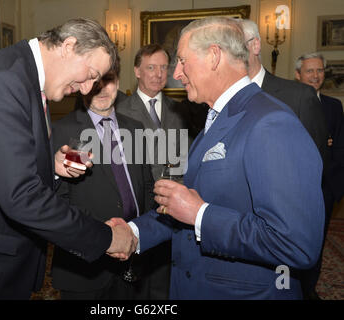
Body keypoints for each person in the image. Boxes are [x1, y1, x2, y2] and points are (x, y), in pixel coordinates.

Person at [110, 16, 325, 299]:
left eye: (183, 61)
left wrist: (200, 214)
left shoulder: (270, 123)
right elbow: (188, 206)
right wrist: (134, 231)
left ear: (213, 56)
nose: (177, 74)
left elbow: (295, 243)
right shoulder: (216, 119)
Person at [0, 18, 137, 299]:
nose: (87, 89)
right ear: (69, 46)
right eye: (90, 74)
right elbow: (21, 196)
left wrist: (52, 166)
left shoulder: (24, 76)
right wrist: (106, 238)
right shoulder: (5, 79)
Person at [51, 59, 156, 300]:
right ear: (82, 85)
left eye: (107, 81)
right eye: (94, 82)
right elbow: (58, 200)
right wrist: (105, 238)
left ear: (118, 82)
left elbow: (146, 187)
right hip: (85, 267)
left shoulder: (135, 129)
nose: (101, 89)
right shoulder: (63, 132)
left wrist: (138, 233)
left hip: (134, 258)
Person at [117, 43, 190, 299]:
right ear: (137, 71)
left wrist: (174, 190)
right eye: (151, 67)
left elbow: (181, 156)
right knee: (135, 281)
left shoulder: (180, 109)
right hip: (137, 207)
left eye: (163, 68)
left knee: (164, 278)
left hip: (173, 205)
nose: (159, 74)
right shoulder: (121, 111)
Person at [238, 20, 329, 164]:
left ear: (255, 45)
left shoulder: (299, 97)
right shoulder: (217, 100)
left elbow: (314, 159)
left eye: (234, 46)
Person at [295, 52, 344, 299]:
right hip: (292, 188)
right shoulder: (285, 104)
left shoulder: (335, 107)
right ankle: (290, 286)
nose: (315, 76)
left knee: (317, 242)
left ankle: (309, 288)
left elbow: (339, 148)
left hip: (324, 189)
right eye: (310, 71)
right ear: (298, 74)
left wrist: (335, 191)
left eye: (320, 71)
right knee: (291, 240)